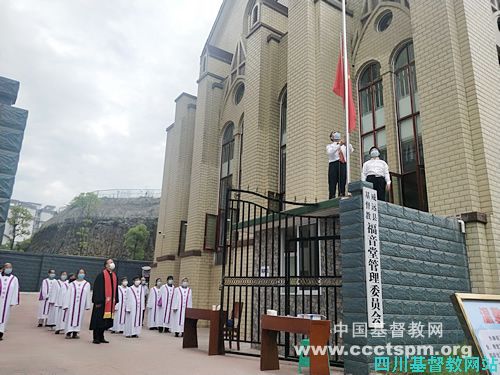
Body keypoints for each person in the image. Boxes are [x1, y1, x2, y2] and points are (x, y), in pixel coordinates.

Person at [90, 259, 119, 344]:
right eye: (110, 262)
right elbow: (97, 289)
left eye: (112, 262)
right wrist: (98, 301)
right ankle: (96, 337)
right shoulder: (101, 275)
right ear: (106, 265)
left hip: (110, 303)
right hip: (101, 302)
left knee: (105, 321)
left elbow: (115, 289)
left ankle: (101, 336)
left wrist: (116, 299)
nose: (112, 264)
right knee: (98, 320)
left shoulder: (114, 276)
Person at [63, 269, 91, 339]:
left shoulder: (87, 284)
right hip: (71, 304)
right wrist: (66, 304)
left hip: (80, 305)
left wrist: (87, 305)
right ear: (77, 274)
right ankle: (68, 332)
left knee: (79, 317)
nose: (81, 274)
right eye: (80, 273)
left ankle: (75, 332)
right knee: (70, 317)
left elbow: (88, 295)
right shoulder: (72, 284)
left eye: (83, 273)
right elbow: (68, 294)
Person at [326, 131, 353, 199]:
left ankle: (342, 194)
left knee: (342, 180)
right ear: (331, 137)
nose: (336, 134)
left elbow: (351, 150)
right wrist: (339, 145)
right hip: (333, 163)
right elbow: (330, 152)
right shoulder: (330, 146)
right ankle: (332, 196)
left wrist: (346, 143)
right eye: (334, 133)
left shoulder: (344, 146)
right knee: (332, 181)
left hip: (342, 163)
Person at [0, 263, 20, 341]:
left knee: (3, 317)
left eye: (10, 267)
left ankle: (0, 333)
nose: (9, 269)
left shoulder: (14, 279)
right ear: (4, 268)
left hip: (6, 302)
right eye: (7, 267)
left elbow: (16, 290)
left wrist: (13, 301)